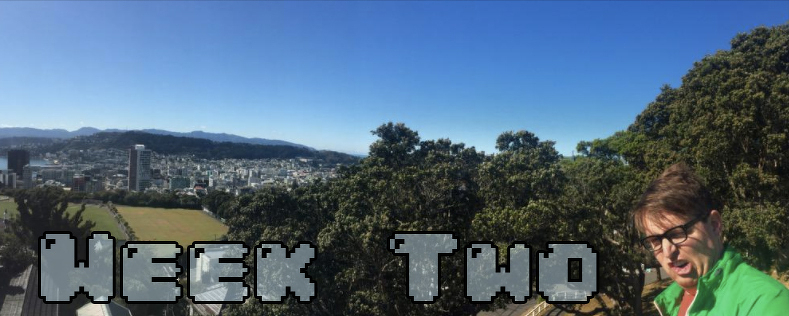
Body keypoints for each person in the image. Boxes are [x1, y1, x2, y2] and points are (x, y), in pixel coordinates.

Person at [632, 163, 789, 315]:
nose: (667, 252)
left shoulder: (766, 302)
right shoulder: (671, 301)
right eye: (656, 241)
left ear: (714, 225)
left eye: (677, 233)